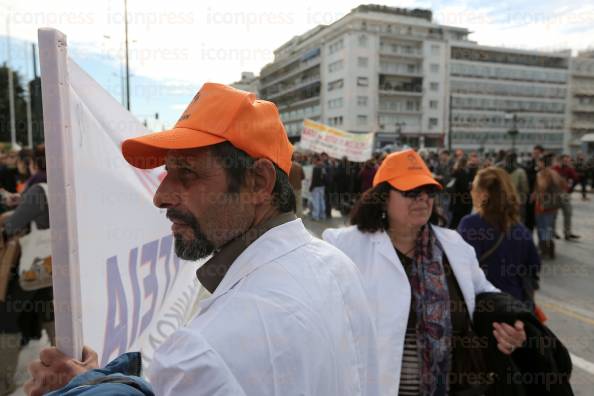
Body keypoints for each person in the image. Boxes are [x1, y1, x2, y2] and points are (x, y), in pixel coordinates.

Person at [25, 83, 380, 396]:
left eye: (187, 173)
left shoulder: (205, 349)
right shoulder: (337, 265)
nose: (161, 196)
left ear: (258, 182)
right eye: (168, 172)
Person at [323, 149, 527, 395]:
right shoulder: (345, 247)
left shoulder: (455, 246)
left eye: (428, 191)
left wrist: (510, 327)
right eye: (410, 192)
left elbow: (487, 295)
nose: (422, 199)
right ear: (383, 197)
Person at [0, 145, 54, 396]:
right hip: (52, 268)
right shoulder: (59, 184)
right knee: (50, 316)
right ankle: (67, 367)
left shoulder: (38, 189)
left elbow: (13, 225)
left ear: (34, 163)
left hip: (32, 270)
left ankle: (4, 381)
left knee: (7, 317)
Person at [458, 167, 541, 309]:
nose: (470, 190)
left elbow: (460, 269)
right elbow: (534, 266)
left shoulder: (470, 225)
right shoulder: (521, 230)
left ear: (484, 195)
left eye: (473, 186)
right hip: (516, 306)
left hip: (483, 308)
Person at [534, 153, 565, 259]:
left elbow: (542, 188)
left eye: (539, 161)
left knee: (542, 228)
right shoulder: (555, 173)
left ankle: (544, 249)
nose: (537, 163)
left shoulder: (543, 173)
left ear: (543, 163)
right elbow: (563, 186)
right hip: (552, 206)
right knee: (548, 228)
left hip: (543, 206)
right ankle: (550, 248)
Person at [553, 155, 580, 240]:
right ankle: (553, 232)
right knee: (554, 214)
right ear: (560, 160)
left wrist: (571, 189)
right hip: (554, 194)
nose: (567, 162)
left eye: (568, 161)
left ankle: (567, 233)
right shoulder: (554, 168)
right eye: (565, 161)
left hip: (565, 194)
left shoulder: (569, 169)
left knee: (568, 212)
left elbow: (576, 178)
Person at [449, 156, 473, 229]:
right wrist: (470, 186)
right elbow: (464, 187)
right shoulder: (462, 173)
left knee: (455, 219)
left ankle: (451, 233)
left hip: (456, 199)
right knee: (458, 220)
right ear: (465, 163)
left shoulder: (456, 172)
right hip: (462, 200)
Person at [524, 145, 544, 232]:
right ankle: (529, 233)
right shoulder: (529, 163)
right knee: (529, 216)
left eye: (537, 153)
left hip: (542, 195)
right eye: (534, 153)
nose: (535, 154)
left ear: (541, 154)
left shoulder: (545, 164)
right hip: (530, 193)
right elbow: (528, 176)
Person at [308, 154, 326, 220]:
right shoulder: (323, 167)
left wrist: (311, 187)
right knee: (322, 201)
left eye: (313, 159)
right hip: (322, 186)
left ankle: (315, 216)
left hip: (316, 187)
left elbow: (314, 179)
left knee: (316, 202)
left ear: (315, 159)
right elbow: (324, 178)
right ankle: (322, 215)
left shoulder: (316, 167)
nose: (312, 160)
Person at [288, 152, 305, 217]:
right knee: (299, 203)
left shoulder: (287, 166)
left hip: (289, 188)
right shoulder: (299, 166)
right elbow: (303, 177)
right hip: (298, 187)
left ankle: (291, 217)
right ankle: (299, 216)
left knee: (290, 203)